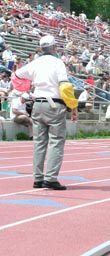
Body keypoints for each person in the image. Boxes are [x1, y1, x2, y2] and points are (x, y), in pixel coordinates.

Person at [12, 35, 78, 190]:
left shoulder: (35, 63)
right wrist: (73, 107)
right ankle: (51, 178)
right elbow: (65, 87)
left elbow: (16, 76)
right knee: (56, 142)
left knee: (39, 142)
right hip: (54, 105)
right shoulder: (58, 63)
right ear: (54, 48)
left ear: (42, 49)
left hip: (37, 104)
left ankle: (38, 178)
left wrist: (27, 87)